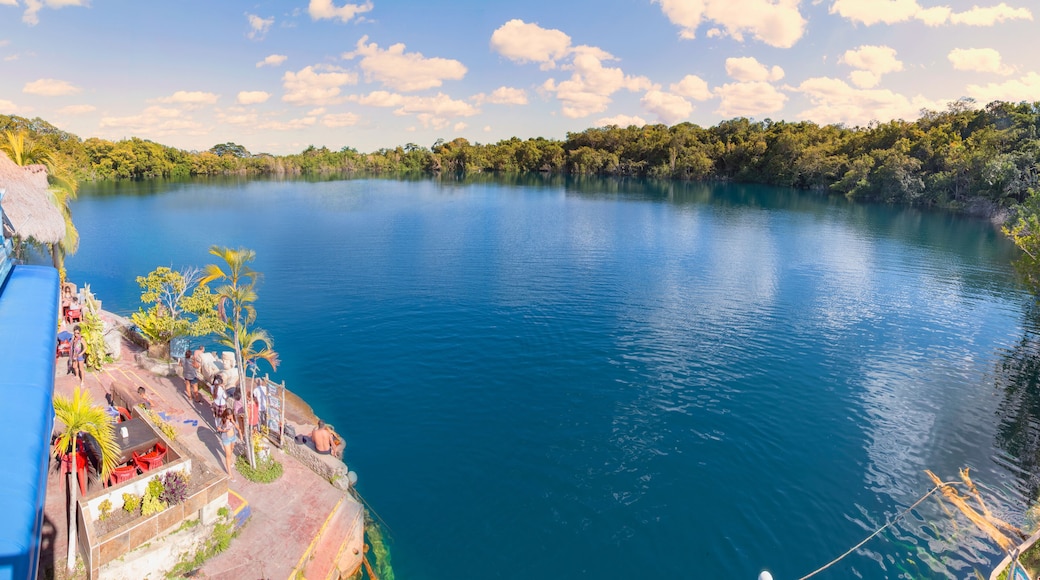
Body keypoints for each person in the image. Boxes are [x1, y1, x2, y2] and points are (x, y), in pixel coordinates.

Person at [217, 408, 239, 480]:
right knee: (228, 455)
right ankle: (230, 474)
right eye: (229, 416)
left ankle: (230, 461)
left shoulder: (233, 419)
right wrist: (224, 430)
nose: (230, 417)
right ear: (226, 415)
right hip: (226, 438)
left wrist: (233, 421)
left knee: (232, 449)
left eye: (231, 415)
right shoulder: (222, 420)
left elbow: (238, 428)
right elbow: (218, 428)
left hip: (233, 437)